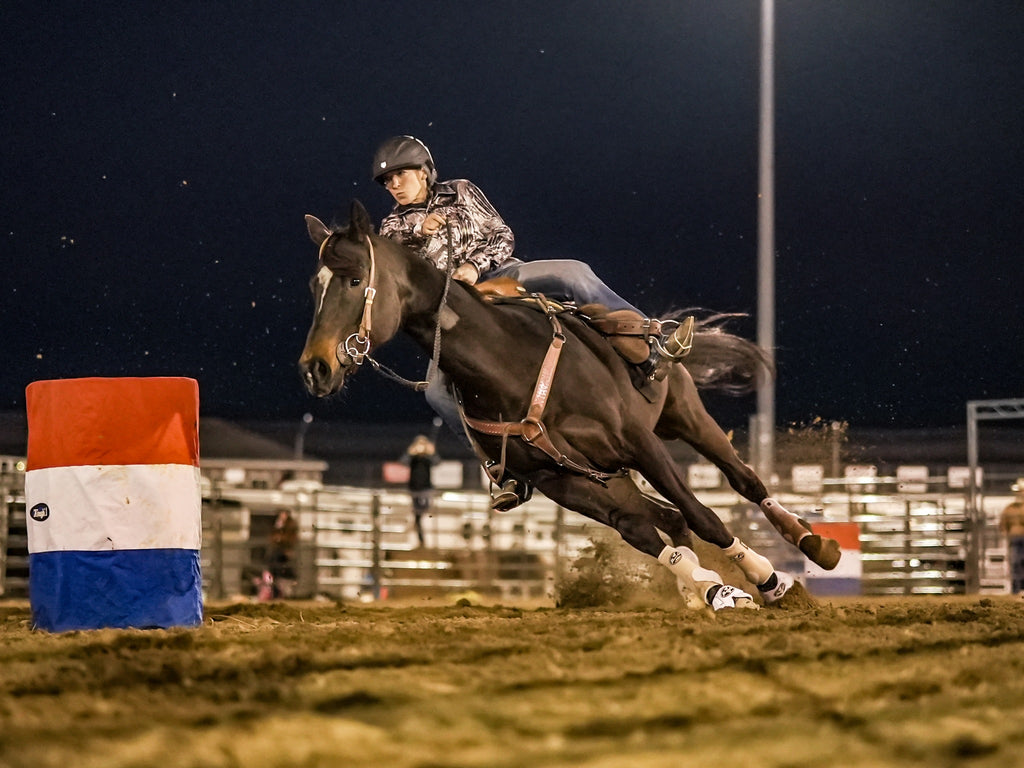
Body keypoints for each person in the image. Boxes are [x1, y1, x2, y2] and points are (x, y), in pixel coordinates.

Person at [372, 135, 690, 510]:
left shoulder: (461, 191)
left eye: (400, 175)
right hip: (456, 313)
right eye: (387, 181)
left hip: (503, 275)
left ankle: (649, 340)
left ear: (425, 172)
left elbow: (501, 234)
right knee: (436, 394)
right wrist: (418, 230)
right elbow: (392, 256)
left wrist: (474, 267)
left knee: (574, 273)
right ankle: (503, 470)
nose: (393, 186)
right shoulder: (391, 227)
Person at [404, 434, 438, 547]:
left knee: (426, 511)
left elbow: (437, 462)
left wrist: (431, 452)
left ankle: (424, 539)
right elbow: (403, 461)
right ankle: (421, 540)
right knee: (417, 516)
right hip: (414, 489)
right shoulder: (413, 458)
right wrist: (411, 452)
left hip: (426, 489)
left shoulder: (428, 458)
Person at [265, 508, 299, 599]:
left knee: (284, 571)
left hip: (285, 551)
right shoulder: (278, 524)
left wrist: (280, 539)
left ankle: (285, 592)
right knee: (275, 570)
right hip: (278, 551)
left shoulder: (290, 525)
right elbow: (272, 537)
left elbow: (290, 539)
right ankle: (276, 592)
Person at [999, 479, 1024, 595]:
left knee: (1017, 563)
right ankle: (1016, 590)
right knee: (1015, 563)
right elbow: (1003, 525)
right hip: (1015, 539)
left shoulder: (1010, 509)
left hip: (1015, 538)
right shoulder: (1009, 509)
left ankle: (1018, 589)